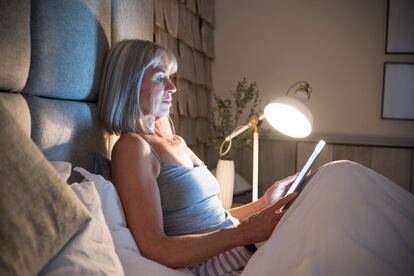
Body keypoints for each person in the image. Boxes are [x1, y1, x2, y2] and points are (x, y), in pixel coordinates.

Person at [98, 40, 414, 276]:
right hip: (222, 263)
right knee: (339, 178)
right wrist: (247, 232)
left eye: (171, 76)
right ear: (129, 83)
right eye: (159, 77)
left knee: (341, 186)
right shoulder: (132, 148)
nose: (173, 87)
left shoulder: (174, 139)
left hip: (239, 243)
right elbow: (155, 247)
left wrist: (263, 203)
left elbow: (211, 216)